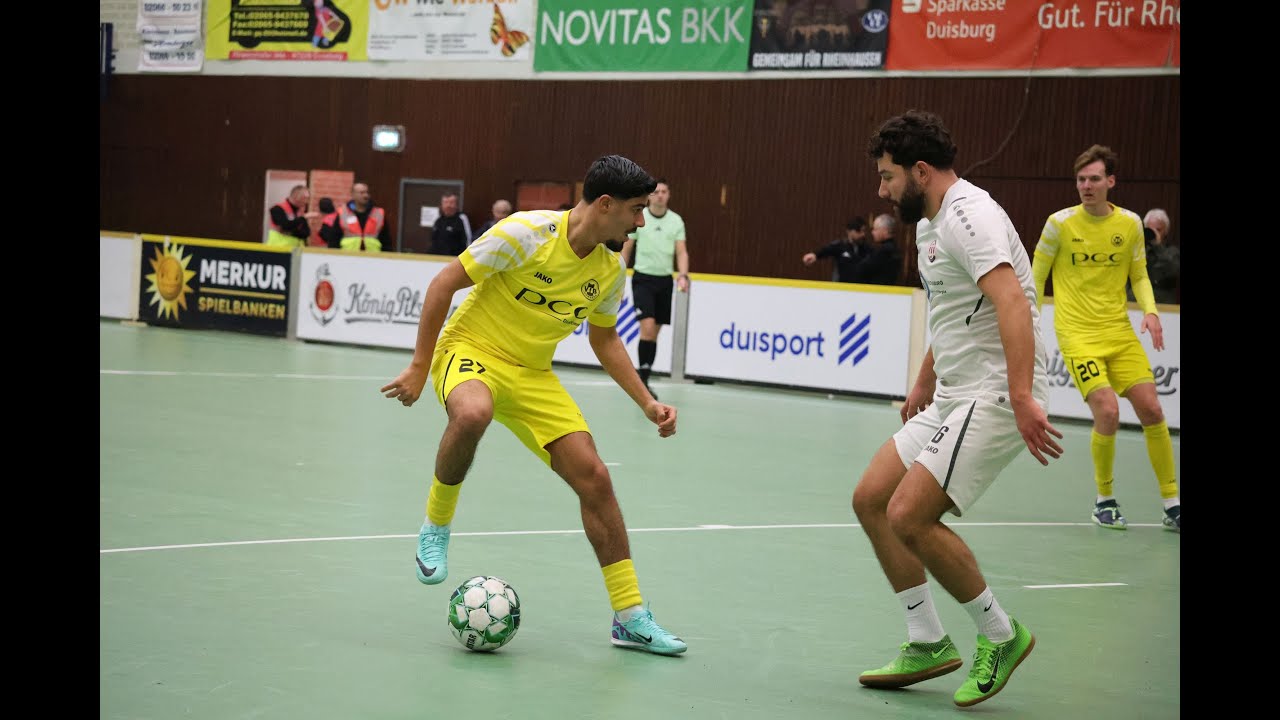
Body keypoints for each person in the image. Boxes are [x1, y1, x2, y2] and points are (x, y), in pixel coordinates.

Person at [380, 155, 687, 656]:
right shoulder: (523, 233)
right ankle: (436, 527)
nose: (639, 221)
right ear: (605, 204)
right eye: (634, 210)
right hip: (472, 349)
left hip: (534, 374)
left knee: (595, 478)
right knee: (474, 414)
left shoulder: (610, 270)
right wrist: (418, 366)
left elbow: (605, 341)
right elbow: (443, 285)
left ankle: (630, 617)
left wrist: (647, 403)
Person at [853, 110, 1063, 708]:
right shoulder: (928, 222)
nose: (882, 189)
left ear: (921, 170)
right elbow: (952, 311)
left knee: (909, 514)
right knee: (871, 497)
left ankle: (1001, 633)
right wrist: (924, 379)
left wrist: (1022, 398)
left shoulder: (971, 218)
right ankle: (926, 639)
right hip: (951, 393)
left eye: (889, 176)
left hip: (994, 392)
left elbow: (1012, 305)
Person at [1033, 146, 1180, 533]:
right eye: (1081, 179)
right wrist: (1027, 322)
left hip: (1118, 332)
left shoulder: (1130, 224)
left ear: (1110, 182)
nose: (1086, 186)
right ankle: (1104, 501)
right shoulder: (1059, 225)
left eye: (1094, 179)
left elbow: (1139, 274)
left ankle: (1173, 503)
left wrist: (1150, 310)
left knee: (1152, 410)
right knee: (1109, 411)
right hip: (1077, 334)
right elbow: (1034, 277)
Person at [620, 179, 689, 399]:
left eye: (664, 192)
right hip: (643, 279)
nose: (660, 195)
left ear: (669, 195)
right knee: (647, 329)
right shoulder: (641, 218)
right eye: (656, 192)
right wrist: (618, 275)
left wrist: (683, 275)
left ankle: (645, 377)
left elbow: (681, 252)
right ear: (650, 196)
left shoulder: (676, 221)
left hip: (664, 281)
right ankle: (642, 382)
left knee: (654, 334)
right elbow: (626, 248)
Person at [320, 182, 391, 252]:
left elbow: (386, 239)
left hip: (372, 257)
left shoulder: (378, 213)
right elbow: (334, 238)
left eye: (367, 192)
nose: (365, 195)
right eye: (362, 193)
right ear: (353, 195)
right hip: (348, 257)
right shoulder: (343, 213)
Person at [802, 217, 869, 282]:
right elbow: (826, 250)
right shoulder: (840, 245)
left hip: (859, 288)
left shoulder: (866, 248)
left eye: (864, 231)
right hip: (840, 287)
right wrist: (815, 255)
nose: (863, 234)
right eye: (859, 231)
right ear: (849, 231)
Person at [848, 213, 904, 285]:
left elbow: (861, 270)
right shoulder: (895, 250)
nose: (872, 232)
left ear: (885, 230)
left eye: (875, 229)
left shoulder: (884, 251)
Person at [1140, 208, 1180, 304]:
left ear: (1165, 231)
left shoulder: (1172, 252)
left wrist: (1158, 246)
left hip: (1163, 306)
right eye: (1150, 229)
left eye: (1158, 230)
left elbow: (1174, 270)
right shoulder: (1138, 250)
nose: (1154, 233)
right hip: (1136, 304)